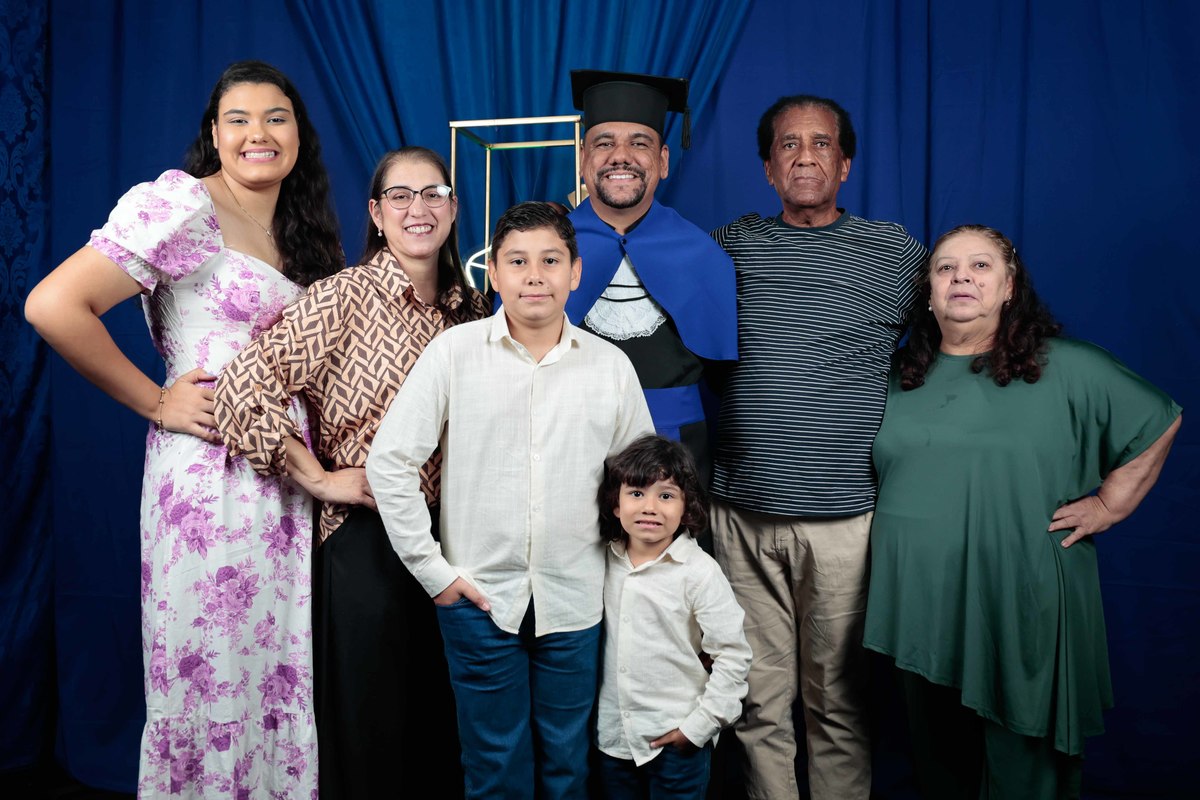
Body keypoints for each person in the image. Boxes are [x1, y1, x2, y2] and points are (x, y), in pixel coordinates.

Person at [24, 60, 343, 797]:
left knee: (275, 670)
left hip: (285, 483)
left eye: (276, 118)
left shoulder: (300, 233)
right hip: (211, 478)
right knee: (212, 668)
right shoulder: (183, 205)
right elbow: (53, 306)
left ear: (299, 135)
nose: (259, 133)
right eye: (239, 119)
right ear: (214, 134)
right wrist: (156, 402)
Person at [864, 224, 1181, 799]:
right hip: (921, 603)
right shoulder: (898, 376)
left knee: (1023, 764)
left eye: (980, 266)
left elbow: (1159, 418)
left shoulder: (1065, 366)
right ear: (928, 290)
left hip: (1019, 595)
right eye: (945, 267)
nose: (961, 277)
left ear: (1010, 286)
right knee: (939, 765)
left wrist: (1109, 504)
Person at [214, 146, 488, 798]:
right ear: (376, 212)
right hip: (368, 534)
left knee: (442, 722)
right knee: (372, 726)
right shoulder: (345, 296)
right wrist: (316, 478)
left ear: (453, 208)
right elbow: (242, 387)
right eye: (400, 195)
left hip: (455, 535)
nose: (418, 209)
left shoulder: (474, 310)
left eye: (433, 194)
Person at [366, 201, 653, 799]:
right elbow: (389, 462)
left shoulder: (610, 367)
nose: (534, 276)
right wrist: (434, 573)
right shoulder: (455, 353)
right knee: (494, 766)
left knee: (567, 764)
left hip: (577, 600)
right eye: (517, 262)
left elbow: (639, 487)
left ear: (575, 271)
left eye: (551, 260)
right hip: (477, 599)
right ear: (492, 272)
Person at [708, 94, 928, 800]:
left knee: (838, 703)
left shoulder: (895, 253)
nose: (805, 157)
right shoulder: (729, 245)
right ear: (768, 168)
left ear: (846, 163)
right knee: (756, 702)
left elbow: (967, 332)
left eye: (821, 143)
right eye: (788, 144)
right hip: (740, 515)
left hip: (843, 522)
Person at [566, 70, 737, 483]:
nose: (620, 156)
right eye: (604, 143)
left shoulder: (703, 255)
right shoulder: (545, 252)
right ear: (583, 158)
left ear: (663, 161)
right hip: (567, 446)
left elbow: (724, 384)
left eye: (639, 143)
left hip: (675, 457)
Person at [595, 434, 752, 800]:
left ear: (686, 507)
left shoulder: (700, 572)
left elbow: (733, 655)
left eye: (666, 496)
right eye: (636, 493)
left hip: (677, 740)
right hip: (613, 741)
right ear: (616, 504)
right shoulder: (602, 561)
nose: (650, 507)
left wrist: (699, 727)